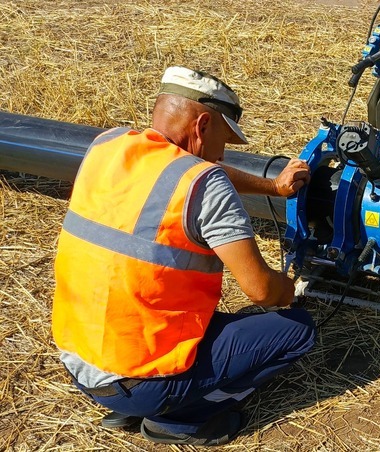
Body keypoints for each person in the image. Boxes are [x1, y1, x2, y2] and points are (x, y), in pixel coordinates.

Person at [51, 66, 316, 446]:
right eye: (225, 138)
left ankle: (134, 404)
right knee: (296, 330)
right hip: (138, 378)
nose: (223, 151)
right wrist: (287, 289)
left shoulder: (107, 145)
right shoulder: (204, 186)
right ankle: (181, 419)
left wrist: (272, 187)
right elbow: (261, 291)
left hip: (79, 360)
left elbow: (202, 169)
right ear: (203, 125)